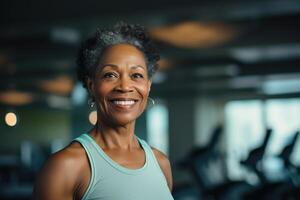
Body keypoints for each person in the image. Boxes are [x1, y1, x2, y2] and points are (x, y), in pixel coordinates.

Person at [33, 22, 174, 200]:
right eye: (110, 75)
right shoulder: (65, 166)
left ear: (148, 86)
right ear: (92, 86)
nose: (124, 86)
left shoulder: (160, 162)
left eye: (136, 75)